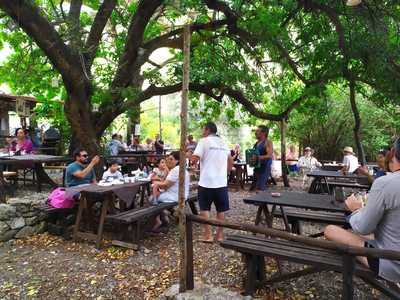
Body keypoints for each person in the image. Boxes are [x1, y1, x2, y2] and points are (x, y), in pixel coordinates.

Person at [324, 139, 400, 283]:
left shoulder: (386, 183)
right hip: (391, 249)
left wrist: (355, 210)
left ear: (394, 154)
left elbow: (363, 228)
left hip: (391, 264)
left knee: (330, 230)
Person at [191, 122, 233, 242]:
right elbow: (230, 162)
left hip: (206, 181)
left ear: (208, 130)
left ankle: (208, 235)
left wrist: (188, 155)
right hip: (221, 182)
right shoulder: (223, 142)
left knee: (205, 208)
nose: (202, 132)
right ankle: (220, 235)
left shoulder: (203, 141)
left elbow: (194, 160)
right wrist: (225, 173)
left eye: (203, 130)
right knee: (221, 209)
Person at [151, 151, 190, 231]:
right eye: (168, 159)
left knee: (151, 199)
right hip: (180, 194)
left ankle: (161, 222)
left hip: (175, 196)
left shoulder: (176, 170)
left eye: (171, 159)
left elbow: (166, 185)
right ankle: (168, 215)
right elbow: (167, 185)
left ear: (177, 161)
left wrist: (156, 184)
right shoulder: (181, 169)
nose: (168, 161)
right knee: (157, 196)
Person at [251, 125, 273, 192]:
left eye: (257, 131)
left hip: (264, 168)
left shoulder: (267, 142)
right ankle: (259, 201)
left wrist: (258, 157)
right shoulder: (256, 143)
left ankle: (261, 202)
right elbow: (255, 155)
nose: (255, 132)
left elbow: (269, 155)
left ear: (263, 133)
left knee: (260, 188)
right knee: (256, 188)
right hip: (257, 168)